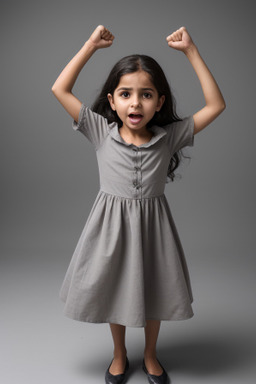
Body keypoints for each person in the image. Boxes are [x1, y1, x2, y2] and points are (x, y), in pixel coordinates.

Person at [51, 25, 225, 384]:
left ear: (159, 102)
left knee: (155, 290)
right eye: (126, 94)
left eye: (146, 95)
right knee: (116, 288)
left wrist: (191, 50)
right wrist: (90, 46)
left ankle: (149, 355)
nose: (135, 103)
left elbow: (216, 105)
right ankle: (119, 354)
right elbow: (60, 88)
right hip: (110, 228)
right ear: (112, 100)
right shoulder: (100, 131)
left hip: (154, 229)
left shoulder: (169, 137)